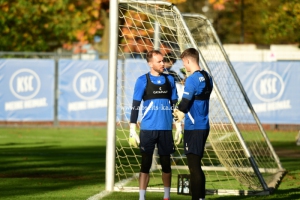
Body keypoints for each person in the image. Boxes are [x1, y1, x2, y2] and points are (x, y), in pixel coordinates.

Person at [128, 50, 178, 200]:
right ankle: (142, 198)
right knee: (145, 164)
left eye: (163, 61)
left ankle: (166, 197)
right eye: (159, 61)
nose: (163, 64)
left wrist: (179, 126)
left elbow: (174, 105)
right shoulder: (142, 80)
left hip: (165, 129)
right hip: (148, 129)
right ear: (150, 64)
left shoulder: (170, 80)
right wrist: (132, 129)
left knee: (166, 164)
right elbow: (135, 105)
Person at [173, 48, 213, 200]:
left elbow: (185, 103)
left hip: (194, 127)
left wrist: (177, 114)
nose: (185, 66)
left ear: (189, 60)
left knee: (194, 167)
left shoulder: (192, 79)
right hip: (203, 124)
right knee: (196, 165)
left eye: (184, 63)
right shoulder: (208, 77)